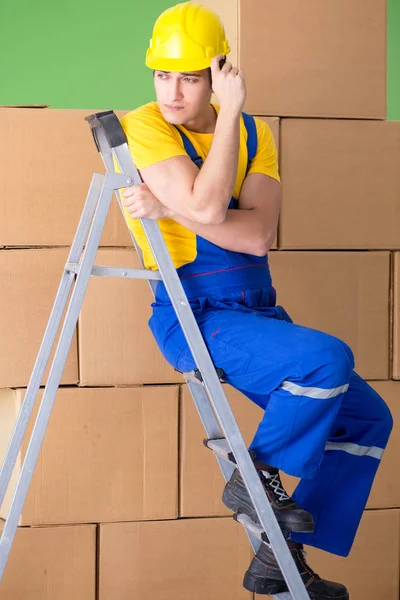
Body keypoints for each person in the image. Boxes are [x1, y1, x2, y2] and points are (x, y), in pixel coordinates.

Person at [119, 2, 393, 598]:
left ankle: (281, 559)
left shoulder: (251, 132)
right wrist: (201, 205)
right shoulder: (144, 125)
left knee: (369, 416)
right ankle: (256, 473)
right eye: (163, 75)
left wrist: (174, 205)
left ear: (218, 73)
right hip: (197, 312)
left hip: (259, 309)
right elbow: (221, 212)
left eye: (189, 78)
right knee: (326, 359)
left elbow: (257, 235)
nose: (171, 92)